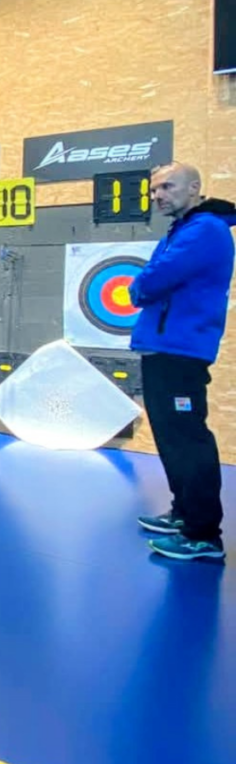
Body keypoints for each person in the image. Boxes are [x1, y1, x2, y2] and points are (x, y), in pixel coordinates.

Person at [130, 161, 235, 561]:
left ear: (195, 188)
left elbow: (151, 280)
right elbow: (155, 276)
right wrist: (145, 282)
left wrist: (140, 286)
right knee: (172, 438)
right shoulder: (185, 229)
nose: (158, 195)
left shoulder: (205, 229)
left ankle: (203, 534)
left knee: (188, 440)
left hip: (180, 351)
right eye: (154, 190)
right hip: (165, 348)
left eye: (167, 187)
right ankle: (184, 513)